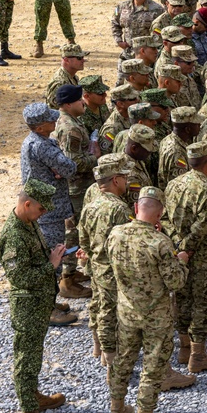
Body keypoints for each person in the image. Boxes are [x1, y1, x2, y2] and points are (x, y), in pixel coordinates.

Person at [107, 186, 190, 413]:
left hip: (127, 312)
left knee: (123, 360)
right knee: (153, 366)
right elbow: (176, 282)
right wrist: (182, 262)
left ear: (136, 208)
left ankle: (117, 411)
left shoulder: (116, 234)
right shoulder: (160, 243)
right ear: (160, 214)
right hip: (156, 316)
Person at [0, 179, 68, 413]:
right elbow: (20, 278)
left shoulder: (28, 222)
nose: (43, 214)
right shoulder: (14, 235)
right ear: (27, 204)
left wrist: (57, 254)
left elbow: (35, 258)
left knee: (34, 354)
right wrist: (51, 264)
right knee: (25, 358)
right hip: (28, 305)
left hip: (38, 302)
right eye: (41, 210)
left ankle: (33, 396)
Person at [161, 142, 207, 374]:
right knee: (205, 301)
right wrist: (187, 247)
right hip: (200, 255)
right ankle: (198, 355)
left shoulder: (173, 184)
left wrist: (178, 244)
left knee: (182, 297)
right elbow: (204, 226)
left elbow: (165, 217)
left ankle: (184, 348)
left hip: (179, 252)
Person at [20, 102, 80, 323]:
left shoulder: (32, 141)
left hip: (42, 208)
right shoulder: (43, 146)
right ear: (39, 127)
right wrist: (61, 168)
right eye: (49, 120)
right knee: (51, 259)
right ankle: (47, 311)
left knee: (49, 256)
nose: (55, 121)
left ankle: (49, 302)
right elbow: (69, 168)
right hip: (49, 211)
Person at [77, 154, 132, 363]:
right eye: (124, 178)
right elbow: (126, 245)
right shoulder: (119, 209)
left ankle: (99, 350)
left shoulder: (90, 206)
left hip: (96, 267)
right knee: (113, 315)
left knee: (99, 307)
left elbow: (83, 238)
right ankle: (112, 364)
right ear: (116, 180)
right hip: (114, 271)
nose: (127, 182)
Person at [53, 84, 98, 296]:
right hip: (76, 189)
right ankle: (67, 280)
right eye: (80, 100)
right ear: (69, 104)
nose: (83, 103)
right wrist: (94, 157)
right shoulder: (70, 128)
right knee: (73, 232)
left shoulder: (70, 121)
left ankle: (70, 273)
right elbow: (72, 162)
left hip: (78, 187)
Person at [112, 0, 165, 65]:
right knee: (123, 78)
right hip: (128, 53)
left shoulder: (157, 9)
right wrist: (119, 41)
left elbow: (161, 29)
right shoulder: (122, 7)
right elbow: (115, 23)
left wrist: (153, 46)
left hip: (146, 56)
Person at [157, 106, 202, 190]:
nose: (199, 125)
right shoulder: (177, 153)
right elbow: (179, 187)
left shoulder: (167, 139)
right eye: (196, 124)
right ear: (187, 129)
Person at [99, 83, 140, 155]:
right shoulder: (111, 129)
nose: (137, 100)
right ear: (121, 104)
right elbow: (105, 153)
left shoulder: (132, 115)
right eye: (133, 99)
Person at [45, 43, 88, 110]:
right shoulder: (59, 82)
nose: (83, 60)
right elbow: (59, 109)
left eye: (83, 57)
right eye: (79, 58)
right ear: (66, 60)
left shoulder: (73, 76)